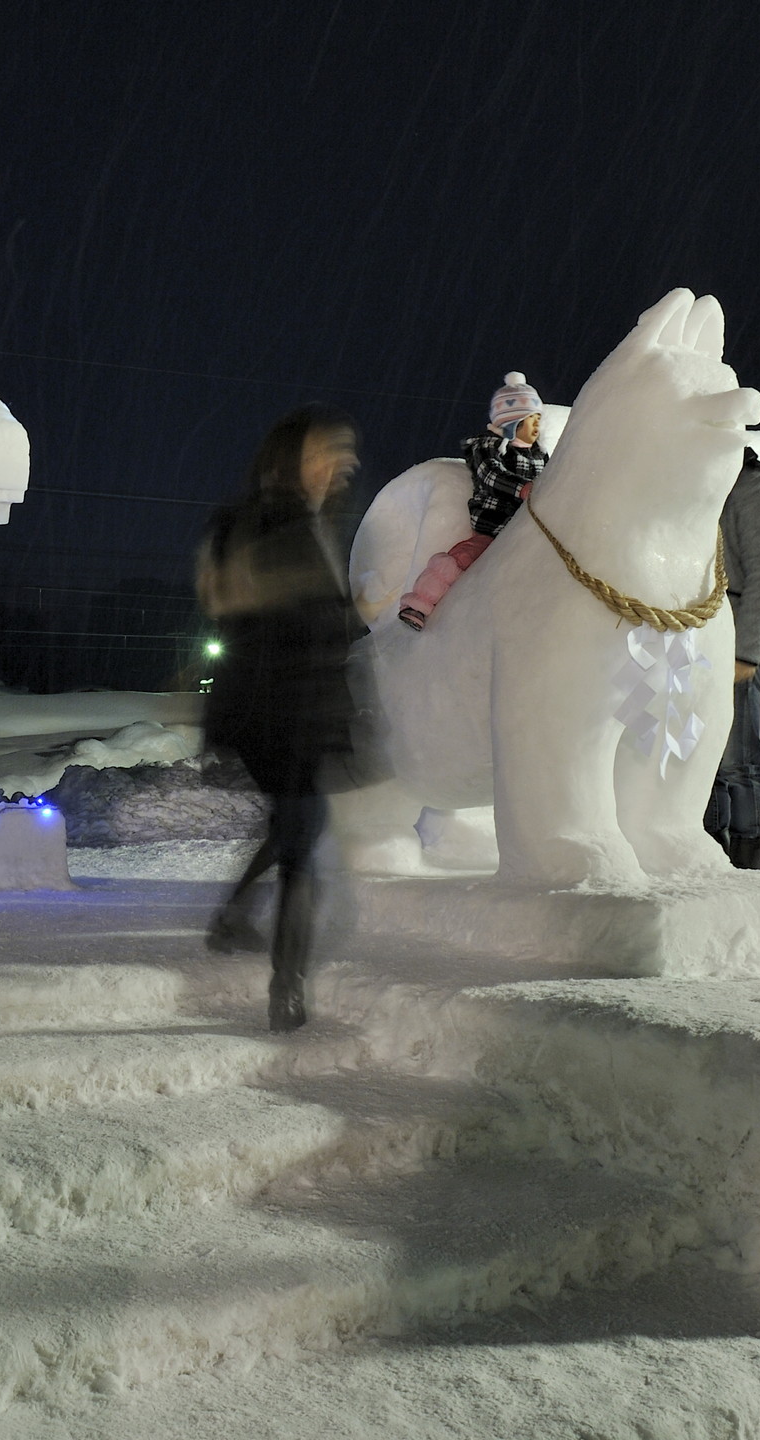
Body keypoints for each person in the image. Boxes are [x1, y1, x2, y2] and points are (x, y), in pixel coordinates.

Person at [196, 403, 363, 1032]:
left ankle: (233, 920)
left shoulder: (278, 520)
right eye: (328, 450)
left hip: (269, 709)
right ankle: (286, 989)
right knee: (302, 844)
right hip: (283, 709)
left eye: (343, 452)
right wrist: (350, 613)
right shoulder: (277, 520)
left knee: (295, 827)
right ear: (291, 457)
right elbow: (264, 608)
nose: (340, 463)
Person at [396, 373, 548, 630]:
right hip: (493, 525)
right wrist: (522, 488)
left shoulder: (539, 456)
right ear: (513, 420)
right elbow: (489, 474)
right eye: (531, 419)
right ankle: (419, 603)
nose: (536, 426)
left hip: (524, 530)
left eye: (539, 420)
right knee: (462, 558)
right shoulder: (489, 447)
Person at [704, 447, 760, 868]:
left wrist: (746, 652)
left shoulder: (756, 485)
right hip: (698, 635)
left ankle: (748, 859)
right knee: (703, 757)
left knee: (738, 760)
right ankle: (710, 852)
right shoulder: (702, 481)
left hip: (736, 636)